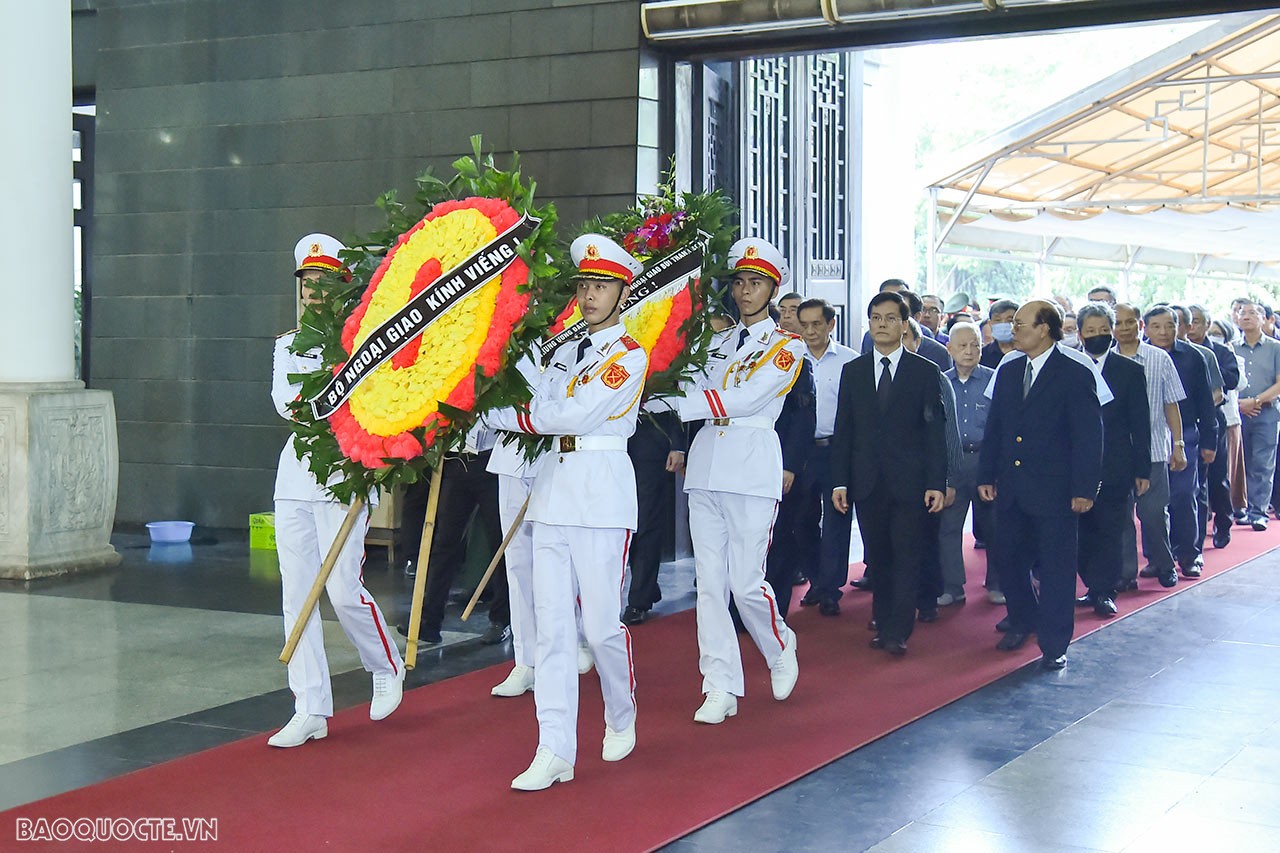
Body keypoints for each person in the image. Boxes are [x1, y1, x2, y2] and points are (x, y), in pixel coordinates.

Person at [485, 234, 646, 790]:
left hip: (601, 495)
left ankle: (621, 712)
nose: (590, 294)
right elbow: (537, 400)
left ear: (623, 292)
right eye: (584, 285)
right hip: (553, 492)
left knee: (601, 627)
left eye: (601, 285)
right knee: (553, 628)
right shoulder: (562, 352)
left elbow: (571, 414)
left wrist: (519, 414)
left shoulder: (629, 355)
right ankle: (554, 746)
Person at [268, 233, 404, 748]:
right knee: (295, 595)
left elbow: (355, 408)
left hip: (344, 474)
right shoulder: (286, 345)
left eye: (323, 282)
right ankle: (309, 707)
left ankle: (385, 662)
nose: (312, 292)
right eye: (306, 282)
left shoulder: (361, 347)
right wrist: (324, 401)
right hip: (295, 475)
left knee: (344, 590)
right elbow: (290, 405)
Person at [678, 237, 803, 724]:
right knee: (710, 584)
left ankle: (778, 646)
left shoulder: (786, 346)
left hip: (751, 465)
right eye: (739, 282)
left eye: (756, 283)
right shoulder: (716, 340)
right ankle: (720, 685)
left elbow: (748, 398)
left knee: (746, 583)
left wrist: (677, 403)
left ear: (773, 288)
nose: (745, 291)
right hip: (707, 461)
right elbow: (693, 384)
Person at [979, 300, 1102, 670]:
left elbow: (1088, 435)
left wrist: (1084, 488)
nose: (1012, 330)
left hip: (1056, 490)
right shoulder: (1010, 369)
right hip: (1013, 488)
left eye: (1019, 324)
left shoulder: (1074, 371)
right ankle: (1022, 618)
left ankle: (1054, 642)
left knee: (1056, 567)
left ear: (1044, 328)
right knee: (1009, 560)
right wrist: (986, 474)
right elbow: (997, 427)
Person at [832, 292, 947, 656]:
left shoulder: (925, 372)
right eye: (876, 319)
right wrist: (840, 480)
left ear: (904, 324)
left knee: (907, 556)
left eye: (890, 319)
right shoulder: (853, 371)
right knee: (878, 557)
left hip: (911, 483)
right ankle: (883, 622)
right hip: (867, 482)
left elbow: (935, 432)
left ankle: (899, 629)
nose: (882, 325)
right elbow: (844, 429)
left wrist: (936, 483)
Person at [396, 423, 509, 645]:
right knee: (444, 546)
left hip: (493, 460)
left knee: (501, 545)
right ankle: (429, 621)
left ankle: (502, 619)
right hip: (456, 461)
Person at [1075, 303, 1150, 617]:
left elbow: (1140, 424)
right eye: (1090, 331)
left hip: (1116, 464)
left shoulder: (1129, 370)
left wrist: (1142, 468)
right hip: (1076, 466)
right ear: (1080, 334)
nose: (1097, 336)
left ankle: (1105, 590)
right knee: (1082, 531)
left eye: (1103, 330)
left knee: (1110, 529)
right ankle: (1090, 583)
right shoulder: (1070, 365)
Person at [1113, 302, 1186, 591]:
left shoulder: (1159, 359)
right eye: (1118, 323)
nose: (1125, 328)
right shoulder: (1100, 360)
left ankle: (1165, 564)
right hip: (1117, 454)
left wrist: (1178, 444)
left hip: (1155, 449)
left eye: (1130, 322)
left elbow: (1172, 405)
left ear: (1139, 325)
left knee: (1154, 513)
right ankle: (1125, 573)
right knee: (1121, 517)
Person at [794, 298, 857, 615]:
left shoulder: (850, 361)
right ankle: (817, 579)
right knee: (801, 520)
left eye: (816, 324)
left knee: (836, 521)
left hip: (837, 450)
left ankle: (831, 588)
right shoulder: (790, 359)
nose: (810, 331)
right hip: (803, 453)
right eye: (804, 325)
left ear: (831, 324)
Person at [1145, 305, 1217, 581]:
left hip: (1185, 433)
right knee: (1153, 500)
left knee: (1185, 494)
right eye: (1157, 326)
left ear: (1180, 327)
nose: (1164, 332)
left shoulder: (1193, 357)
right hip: (1150, 434)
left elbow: (1205, 403)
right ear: (1146, 328)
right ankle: (1157, 557)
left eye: (1170, 325)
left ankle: (1189, 553)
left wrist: (1209, 440)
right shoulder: (1137, 356)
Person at [938, 322, 1000, 606]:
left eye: (975, 344)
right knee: (948, 527)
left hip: (986, 460)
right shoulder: (939, 381)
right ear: (949, 348)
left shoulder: (994, 379)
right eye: (962, 345)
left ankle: (998, 583)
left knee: (995, 526)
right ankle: (952, 586)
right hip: (952, 461)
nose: (969, 351)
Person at [622, 397, 686, 625]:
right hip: (610, 437)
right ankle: (646, 587)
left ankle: (639, 599)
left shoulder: (662, 359)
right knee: (619, 523)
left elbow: (679, 392)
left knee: (646, 521)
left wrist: (678, 445)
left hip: (650, 433)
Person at [1187, 304, 1239, 549]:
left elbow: (1231, 380)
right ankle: (1192, 538)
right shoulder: (1179, 353)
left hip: (1212, 421)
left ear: (1207, 325)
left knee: (1217, 477)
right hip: (1185, 424)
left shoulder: (1219, 351)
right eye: (1188, 321)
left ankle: (1223, 522)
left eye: (1197, 321)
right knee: (1194, 482)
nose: (1192, 326)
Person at [1233, 301, 1280, 531]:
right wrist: (1240, 404)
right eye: (1243, 313)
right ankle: (1239, 508)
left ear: (1264, 319)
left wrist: (1257, 400)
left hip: (1266, 412)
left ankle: (1258, 512)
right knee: (1238, 463)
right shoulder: (1230, 348)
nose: (1247, 317)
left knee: (1262, 463)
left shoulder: (1275, 348)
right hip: (1237, 412)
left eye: (1253, 313)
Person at [980, 299, 1019, 368]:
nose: (1003, 324)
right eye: (998, 320)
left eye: (1010, 320)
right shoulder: (982, 355)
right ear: (990, 323)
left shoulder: (1027, 352)